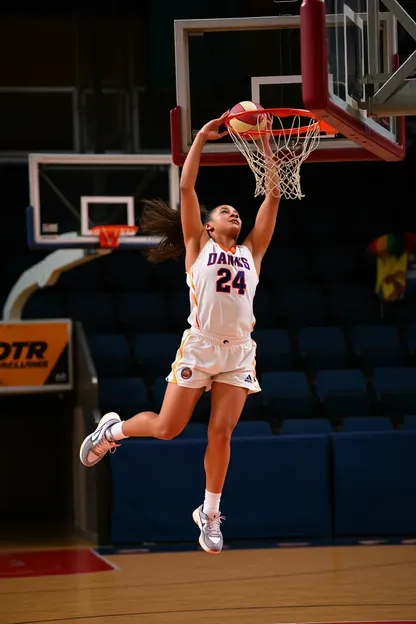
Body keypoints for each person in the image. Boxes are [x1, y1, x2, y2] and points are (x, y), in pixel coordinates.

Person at [80, 111, 280, 554]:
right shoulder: (198, 245)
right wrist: (204, 138)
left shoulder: (252, 252)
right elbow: (187, 187)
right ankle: (113, 432)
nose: (234, 213)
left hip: (240, 352)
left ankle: (209, 513)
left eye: (235, 212)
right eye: (225, 211)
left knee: (221, 434)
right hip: (201, 347)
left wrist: (266, 147)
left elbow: (272, 194)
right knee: (169, 428)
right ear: (208, 225)